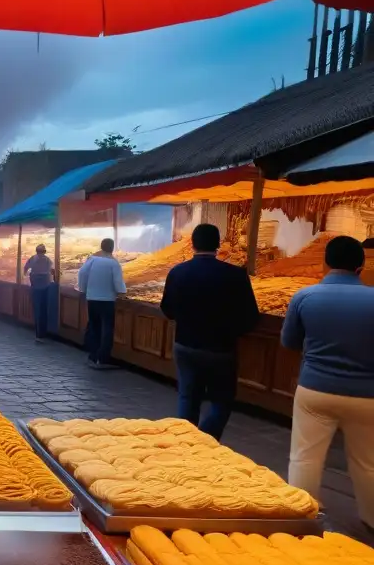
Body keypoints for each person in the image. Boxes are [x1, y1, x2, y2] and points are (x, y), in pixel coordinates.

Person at [282, 235, 374, 530]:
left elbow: (289, 341)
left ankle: (300, 513)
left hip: (315, 388)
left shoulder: (305, 297)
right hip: (367, 394)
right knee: (367, 462)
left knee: (305, 456)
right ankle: (371, 519)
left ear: (325, 263)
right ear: (361, 266)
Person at [159, 224, 259, 440]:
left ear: (192, 244)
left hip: (185, 345)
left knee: (188, 397)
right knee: (221, 401)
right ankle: (206, 440)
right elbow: (251, 317)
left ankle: (186, 441)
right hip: (221, 349)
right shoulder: (235, 275)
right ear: (218, 244)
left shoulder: (178, 272)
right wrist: (232, 331)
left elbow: (167, 309)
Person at [77, 238, 126, 369]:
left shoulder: (92, 260)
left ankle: (93, 356)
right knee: (107, 329)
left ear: (102, 247)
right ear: (112, 247)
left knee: (94, 326)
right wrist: (122, 292)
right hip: (107, 300)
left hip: (92, 298)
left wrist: (83, 289)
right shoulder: (113, 263)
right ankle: (103, 358)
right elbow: (118, 282)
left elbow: (81, 273)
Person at [24, 244, 54, 342]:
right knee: (44, 310)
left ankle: (38, 334)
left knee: (37, 309)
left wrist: (25, 276)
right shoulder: (48, 260)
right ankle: (43, 333)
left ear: (36, 251)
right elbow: (53, 271)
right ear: (44, 251)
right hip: (46, 287)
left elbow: (25, 268)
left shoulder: (32, 258)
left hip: (35, 287)